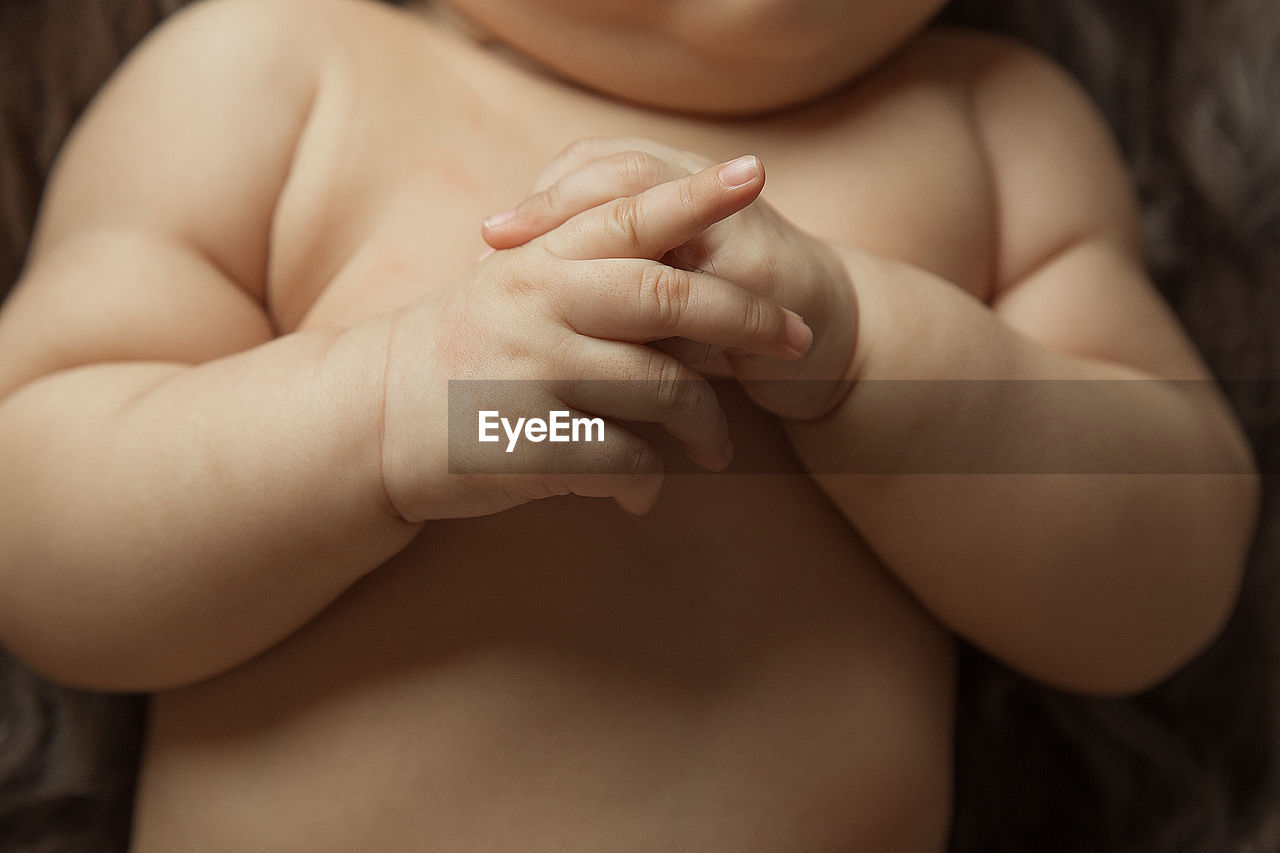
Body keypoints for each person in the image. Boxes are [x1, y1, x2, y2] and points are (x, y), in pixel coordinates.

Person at [0, 0, 1259, 848]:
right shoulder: (273, 67)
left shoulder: (993, 129)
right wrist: (390, 413)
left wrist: (863, 352)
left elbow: (1168, 567)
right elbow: (36, 510)